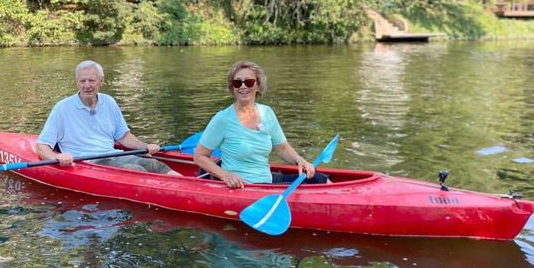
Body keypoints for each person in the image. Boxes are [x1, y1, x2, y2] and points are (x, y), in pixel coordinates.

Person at [193, 60, 329, 189]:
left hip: (267, 181)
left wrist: (300, 160)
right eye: (237, 83)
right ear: (232, 88)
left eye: (249, 82)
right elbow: (200, 156)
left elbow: (281, 148)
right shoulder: (222, 119)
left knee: (319, 179)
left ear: (258, 85)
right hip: (243, 187)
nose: (243, 86)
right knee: (309, 188)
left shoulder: (267, 113)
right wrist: (226, 175)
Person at [36, 60, 180, 175]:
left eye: (91, 81)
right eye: (82, 81)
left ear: (101, 81)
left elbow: (123, 136)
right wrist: (57, 158)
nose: (87, 86)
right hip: (89, 162)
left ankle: (184, 186)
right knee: (135, 170)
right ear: (77, 82)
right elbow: (42, 147)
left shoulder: (109, 102)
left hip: (113, 154)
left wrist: (145, 147)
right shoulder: (62, 108)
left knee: (155, 164)